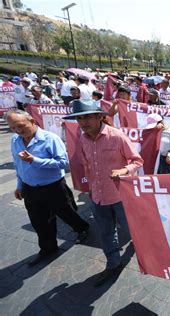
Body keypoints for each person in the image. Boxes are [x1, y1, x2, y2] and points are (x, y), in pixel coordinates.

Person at [63, 99, 144, 287]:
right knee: (106, 232)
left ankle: (140, 250)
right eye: (79, 118)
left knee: (132, 229)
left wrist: (124, 171)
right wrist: (91, 187)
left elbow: (137, 161)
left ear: (100, 116)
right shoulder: (82, 139)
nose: (83, 122)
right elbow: (87, 165)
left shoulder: (117, 136)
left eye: (87, 117)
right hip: (98, 195)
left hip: (120, 196)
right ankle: (113, 263)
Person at [6, 109, 90, 266]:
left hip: (53, 187)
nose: (18, 131)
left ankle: (82, 228)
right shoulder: (15, 140)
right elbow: (18, 165)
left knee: (67, 213)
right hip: (30, 189)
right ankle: (48, 248)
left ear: (31, 121)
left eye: (21, 125)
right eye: (13, 128)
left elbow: (63, 163)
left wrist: (35, 160)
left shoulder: (50, 138)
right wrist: (19, 185)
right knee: (39, 221)